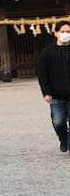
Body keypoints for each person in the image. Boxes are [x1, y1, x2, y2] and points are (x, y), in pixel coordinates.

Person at [38, 21, 70, 153]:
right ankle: (63, 138)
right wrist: (46, 92)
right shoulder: (47, 52)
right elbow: (42, 73)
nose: (66, 34)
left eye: (68, 32)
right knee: (58, 122)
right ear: (56, 33)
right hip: (56, 95)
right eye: (63, 31)